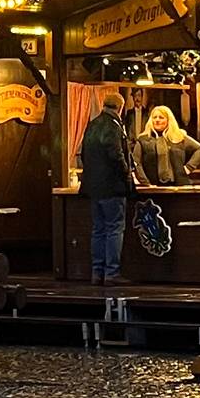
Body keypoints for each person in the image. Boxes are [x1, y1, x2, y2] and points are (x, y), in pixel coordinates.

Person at [78, 93, 135, 285]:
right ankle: (112, 273)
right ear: (121, 107)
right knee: (114, 229)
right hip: (112, 186)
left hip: (93, 187)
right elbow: (116, 155)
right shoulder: (114, 126)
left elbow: (84, 154)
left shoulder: (92, 125)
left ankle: (97, 272)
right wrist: (127, 174)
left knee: (98, 230)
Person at [132, 105, 200, 187]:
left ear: (168, 120)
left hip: (178, 186)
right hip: (153, 187)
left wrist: (188, 167)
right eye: (154, 117)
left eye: (161, 117)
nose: (157, 120)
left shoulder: (179, 137)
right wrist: (145, 183)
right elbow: (136, 162)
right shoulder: (143, 140)